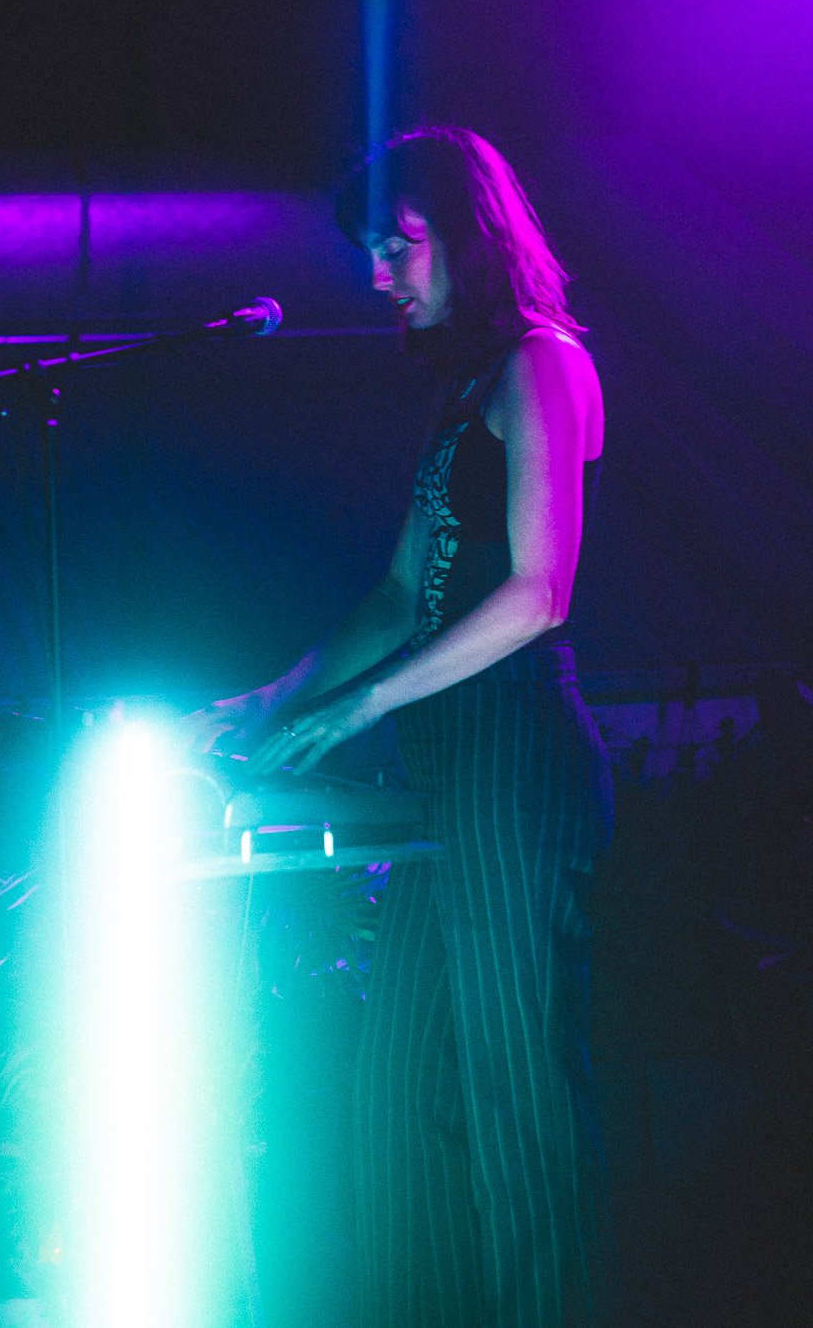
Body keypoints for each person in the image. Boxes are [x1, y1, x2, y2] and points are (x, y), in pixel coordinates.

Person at [189, 126, 613, 1327]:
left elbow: (539, 592)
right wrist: (277, 697)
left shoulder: (544, 361)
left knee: (516, 1103)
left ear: (468, 236)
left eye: (400, 244)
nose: (381, 273)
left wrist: (364, 702)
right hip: (444, 767)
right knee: (398, 1101)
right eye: (373, 251)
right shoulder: (462, 393)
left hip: (515, 758)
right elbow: (395, 591)